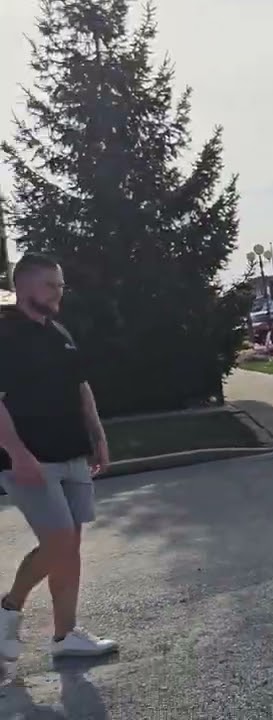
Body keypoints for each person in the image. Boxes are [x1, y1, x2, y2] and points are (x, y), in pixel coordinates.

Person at [0, 253, 119, 661]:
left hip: (72, 453)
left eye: (61, 285)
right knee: (59, 542)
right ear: (23, 285)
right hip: (29, 460)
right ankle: (9, 608)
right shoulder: (4, 333)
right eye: (50, 284)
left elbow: (81, 387)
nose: (59, 292)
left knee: (70, 546)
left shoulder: (60, 334)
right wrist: (17, 454)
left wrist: (97, 436)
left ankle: (65, 636)